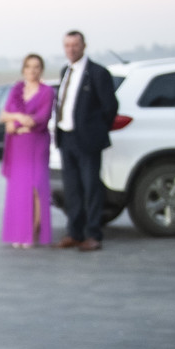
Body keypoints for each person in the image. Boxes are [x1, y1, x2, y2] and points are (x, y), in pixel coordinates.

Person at [53, 29, 118, 250]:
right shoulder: (65, 71)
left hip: (88, 140)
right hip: (66, 138)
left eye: (75, 45)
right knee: (72, 189)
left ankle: (93, 234)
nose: (71, 49)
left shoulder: (97, 73)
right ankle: (75, 232)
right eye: (67, 45)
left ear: (84, 46)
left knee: (91, 188)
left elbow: (110, 107)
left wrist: (96, 130)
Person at [0, 53, 54, 247]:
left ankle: (33, 232)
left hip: (37, 143)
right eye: (29, 66)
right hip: (18, 146)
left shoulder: (47, 92)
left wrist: (16, 124)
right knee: (20, 188)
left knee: (36, 186)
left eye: (36, 67)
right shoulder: (16, 89)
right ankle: (19, 232)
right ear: (23, 69)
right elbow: (4, 115)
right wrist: (18, 118)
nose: (32, 70)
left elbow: (41, 118)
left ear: (41, 70)